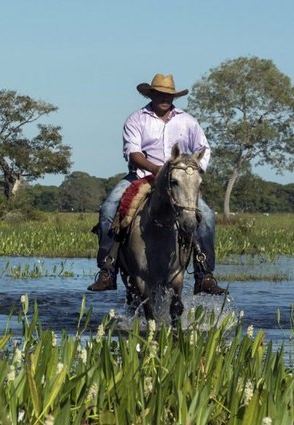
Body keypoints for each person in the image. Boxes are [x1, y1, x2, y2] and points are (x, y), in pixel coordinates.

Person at [88, 74, 227, 295]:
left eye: (168, 95)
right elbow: (133, 154)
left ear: (173, 97)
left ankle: (204, 275)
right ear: (151, 94)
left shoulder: (187, 121)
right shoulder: (136, 119)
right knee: (108, 209)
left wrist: (191, 171)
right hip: (142, 177)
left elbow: (204, 148)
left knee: (207, 216)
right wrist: (158, 170)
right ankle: (108, 270)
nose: (164, 98)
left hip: (178, 182)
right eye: (160, 94)